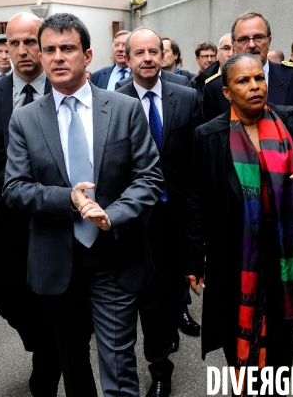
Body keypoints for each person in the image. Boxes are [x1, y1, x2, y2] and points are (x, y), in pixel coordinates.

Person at [2, 13, 163, 397]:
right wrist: (68, 199)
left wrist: (112, 214)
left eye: (67, 48)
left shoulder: (123, 109)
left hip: (114, 256)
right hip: (56, 259)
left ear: (87, 55)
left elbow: (150, 178)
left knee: (119, 363)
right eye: (50, 50)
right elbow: (15, 188)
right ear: (41, 57)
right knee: (73, 366)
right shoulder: (25, 119)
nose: (58, 57)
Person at [185, 53, 293, 394]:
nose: (255, 86)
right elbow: (196, 200)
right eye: (243, 81)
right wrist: (194, 259)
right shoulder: (209, 137)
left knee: (283, 340)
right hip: (236, 256)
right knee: (237, 334)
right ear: (226, 92)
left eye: (259, 79)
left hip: (287, 253)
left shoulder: (292, 120)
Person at [0, 12, 61, 395]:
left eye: (30, 41)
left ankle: (49, 365)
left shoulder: (63, 89)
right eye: (13, 43)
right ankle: (45, 345)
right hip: (5, 218)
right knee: (7, 294)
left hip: (54, 215)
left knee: (54, 295)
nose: (22, 51)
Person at [116, 27, 203, 397]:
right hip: (138, 220)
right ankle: (159, 367)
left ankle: (168, 331)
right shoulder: (112, 101)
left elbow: (199, 161)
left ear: (164, 55)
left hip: (179, 216)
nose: (148, 58)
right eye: (140, 52)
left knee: (172, 290)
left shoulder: (187, 97)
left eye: (155, 51)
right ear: (128, 58)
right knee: (149, 296)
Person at [202, 11, 293, 132]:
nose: (252, 44)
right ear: (234, 45)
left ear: (269, 41)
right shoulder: (215, 87)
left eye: (258, 37)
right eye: (244, 39)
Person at [190, 33, 232, 105]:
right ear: (218, 52)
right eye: (226, 48)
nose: (231, 53)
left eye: (212, 56)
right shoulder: (197, 82)